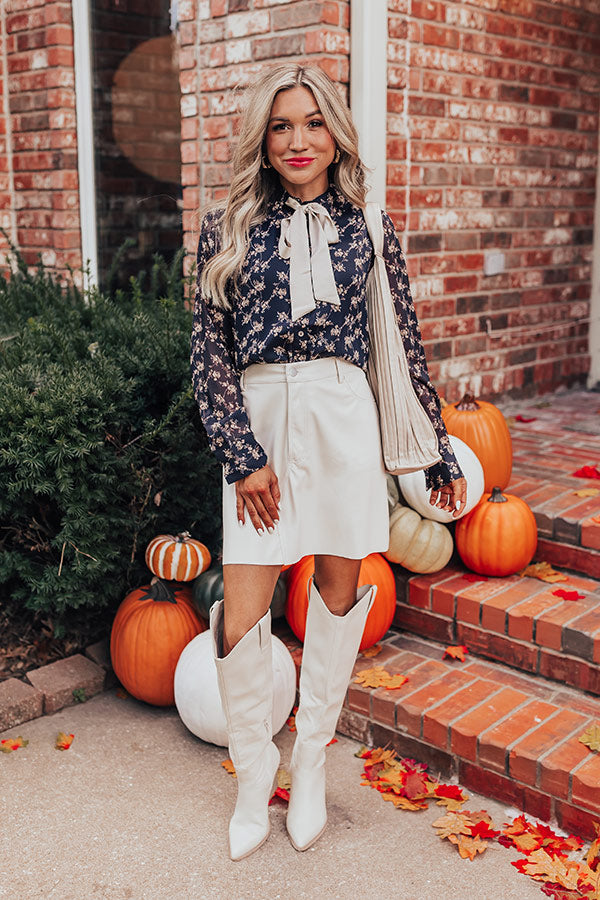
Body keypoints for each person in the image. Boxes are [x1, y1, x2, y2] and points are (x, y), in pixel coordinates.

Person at [190, 63, 466, 862]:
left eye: (312, 122)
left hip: (344, 418)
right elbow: (208, 356)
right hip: (262, 421)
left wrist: (437, 449)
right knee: (244, 614)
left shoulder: (370, 226)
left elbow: (403, 348)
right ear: (262, 138)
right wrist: (243, 456)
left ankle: (310, 763)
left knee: (337, 602)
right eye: (281, 125)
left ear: (335, 132)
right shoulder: (226, 226)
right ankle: (255, 771)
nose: (298, 140)